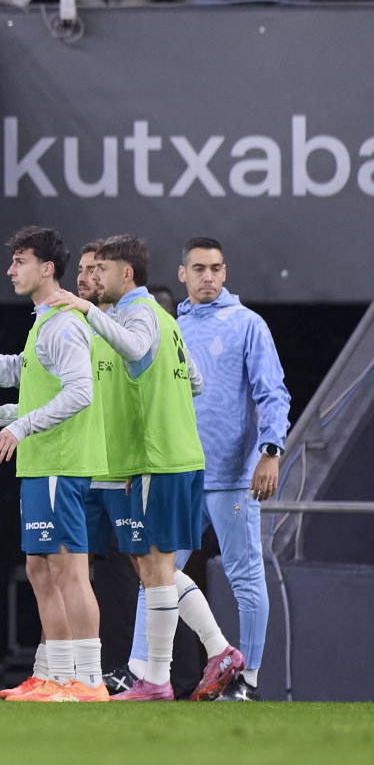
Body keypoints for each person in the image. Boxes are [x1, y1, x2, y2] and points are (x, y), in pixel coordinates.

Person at [49, 234, 233, 702]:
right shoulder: (164, 319)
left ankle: (156, 679)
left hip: (156, 460)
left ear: (125, 274)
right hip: (165, 456)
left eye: (101, 270)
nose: (93, 278)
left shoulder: (139, 315)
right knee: (159, 569)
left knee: (153, 570)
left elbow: (135, 350)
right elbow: (194, 379)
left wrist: (87, 311)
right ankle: (216, 649)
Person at [0, 226, 109, 703]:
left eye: (19, 261)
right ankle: (58, 678)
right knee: (40, 569)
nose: (10, 270)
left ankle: (91, 680)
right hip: (43, 464)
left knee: (69, 571)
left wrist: (20, 427)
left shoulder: (63, 322)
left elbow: (81, 392)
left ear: (46, 268)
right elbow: (28, 372)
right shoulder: (45, 319)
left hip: (61, 462)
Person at [151, 237, 288, 701]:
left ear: (225, 273)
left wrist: (270, 451)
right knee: (156, 575)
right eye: (199, 269)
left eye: (215, 269)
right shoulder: (169, 327)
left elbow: (274, 395)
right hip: (180, 475)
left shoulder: (249, 324)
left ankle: (246, 682)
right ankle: (147, 674)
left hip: (232, 476)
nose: (208, 276)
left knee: (245, 578)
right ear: (182, 274)